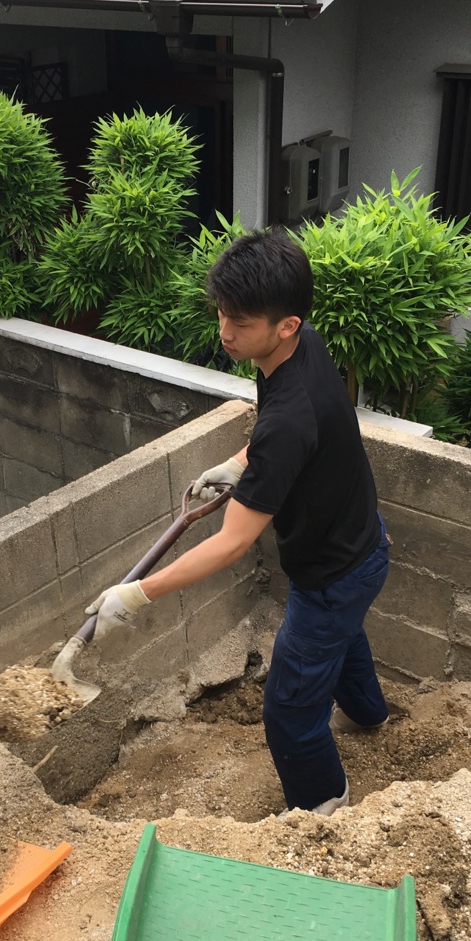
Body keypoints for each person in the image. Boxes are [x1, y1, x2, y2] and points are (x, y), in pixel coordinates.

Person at [86, 228, 391, 817]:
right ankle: (368, 714)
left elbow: (232, 543)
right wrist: (238, 463)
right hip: (365, 545)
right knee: (346, 636)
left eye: (241, 322)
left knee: (289, 712)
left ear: (287, 324)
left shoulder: (288, 416)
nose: (225, 333)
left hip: (330, 579)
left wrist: (138, 594)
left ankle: (324, 806)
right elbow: (283, 429)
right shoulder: (304, 349)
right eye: (222, 313)